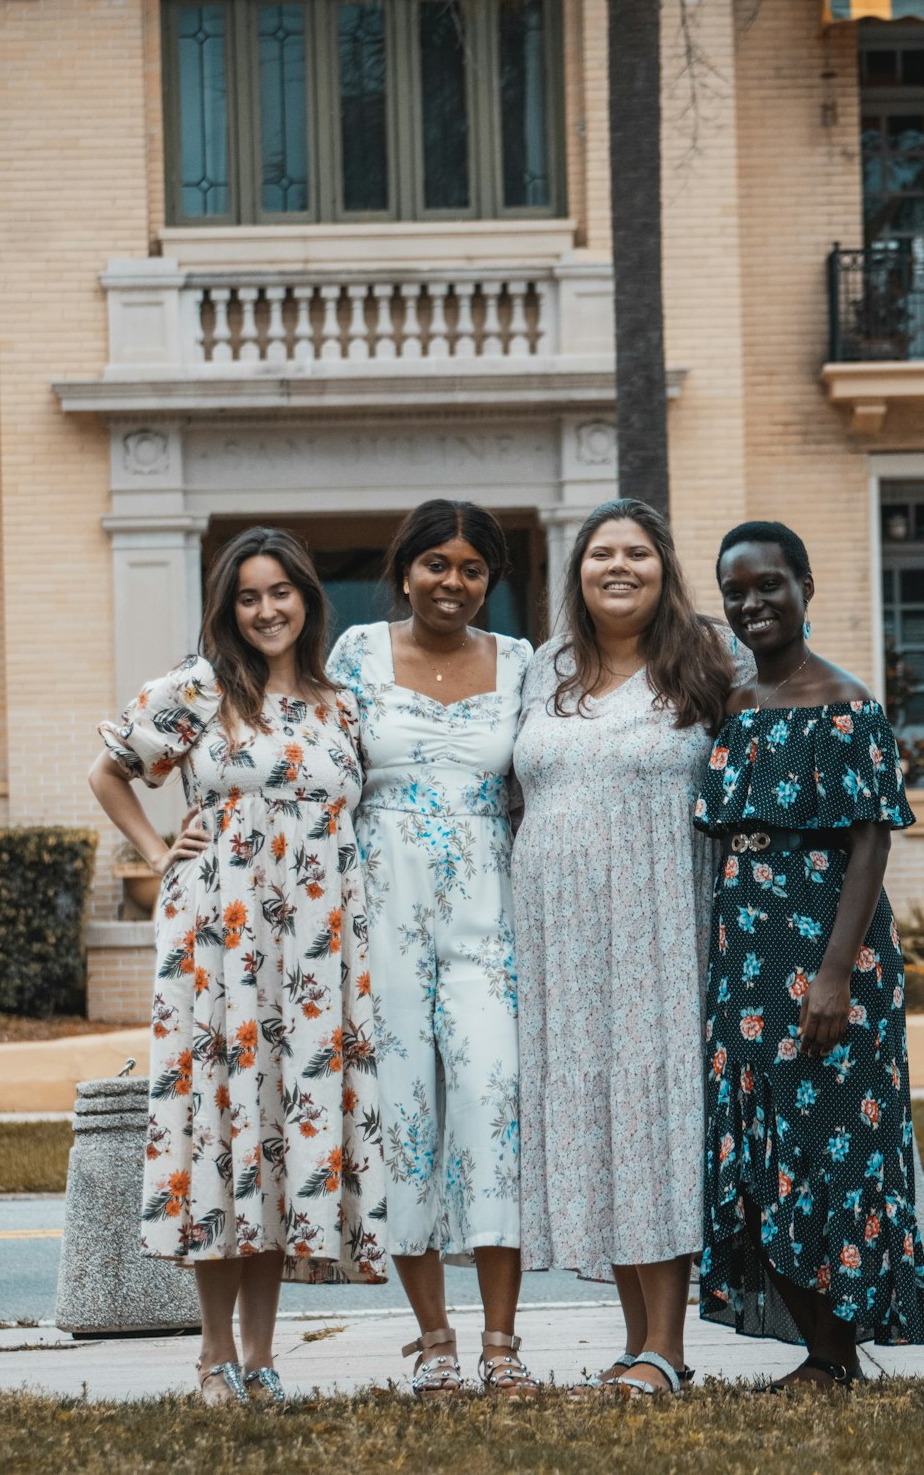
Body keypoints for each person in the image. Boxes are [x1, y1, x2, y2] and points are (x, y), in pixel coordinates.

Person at [89, 526, 386, 1406]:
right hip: (218, 939)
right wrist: (157, 849)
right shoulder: (198, 689)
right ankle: (214, 1358)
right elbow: (110, 773)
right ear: (230, 608)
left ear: (307, 598)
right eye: (249, 596)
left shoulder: (342, 704)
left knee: (279, 1137)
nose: (266, 609)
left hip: (319, 950)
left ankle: (262, 1359)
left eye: (281, 592)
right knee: (219, 1136)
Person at [697, 519, 924, 1387]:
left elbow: (871, 846)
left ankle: (835, 1357)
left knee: (832, 1146)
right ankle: (819, 1354)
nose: (752, 602)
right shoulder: (730, 706)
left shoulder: (847, 705)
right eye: (736, 589)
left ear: (806, 586)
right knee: (760, 1149)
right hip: (745, 959)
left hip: (831, 958)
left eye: (769, 584)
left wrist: (833, 975)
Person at [511, 496, 740, 1398]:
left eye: (637, 553)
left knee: (655, 1114)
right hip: (558, 936)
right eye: (601, 553)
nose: (618, 567)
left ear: (664, 568)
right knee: (601, 1116)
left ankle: (667, 1348)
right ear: (577, 572)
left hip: (662, 920)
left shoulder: (710, 660)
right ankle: (634, 1340)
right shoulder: (547, 667)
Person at [327, 499, 537, 1399]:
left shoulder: (523, 664)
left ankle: (501, 1343)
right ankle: (436, 1341)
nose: (453, 583)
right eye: (436, 565)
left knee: (494, 1107)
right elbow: (311, 764)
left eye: (472, 569)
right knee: (406, 1118)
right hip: (386, 921)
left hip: (491, 922)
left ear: (491, 580)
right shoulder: (356, 655)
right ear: (405, 569)